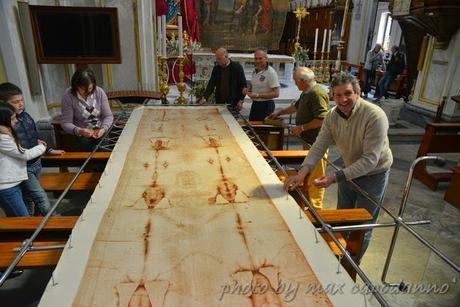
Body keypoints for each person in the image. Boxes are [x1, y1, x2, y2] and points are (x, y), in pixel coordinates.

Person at [285, 72, 393, 255]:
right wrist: (302, 172)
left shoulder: (375, 116)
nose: (343, 99)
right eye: (338, 95)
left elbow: (370, 160)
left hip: (374, 174)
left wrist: (335, 177)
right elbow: (318, 146)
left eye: (348, 93)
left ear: (357, 93)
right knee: (342, 216)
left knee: (363, 225)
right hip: (348, 169)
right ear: (332, 96)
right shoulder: (332, 116)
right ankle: (339, 255)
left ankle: (353, 265)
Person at [267, 67, 329, 209]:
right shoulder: (307, 92)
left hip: (317, 143)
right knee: (308, 174)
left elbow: (322, 118)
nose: (295, 84)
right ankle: (308, 203)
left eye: (296, 81)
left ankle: (316, 210)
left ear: (303, 81)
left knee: (316, 177)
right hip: (309, 141)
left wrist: (301, 128)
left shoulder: (317, 94)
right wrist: (279, 112)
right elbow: (296, 107)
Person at [0, 83, 64, 216]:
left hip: (35, 163)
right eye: (15, 102)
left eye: (21, 100)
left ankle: (30, 222)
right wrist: (42, 147)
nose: (20, 104)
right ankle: (53, 220)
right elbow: (21, 152)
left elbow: (35, 136)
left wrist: (49, 150)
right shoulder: (6, 128)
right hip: (24, 166)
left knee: (28, 197)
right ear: (4, 105)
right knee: (40, 196)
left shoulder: (26, 116)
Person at [0, 102, 47, 217]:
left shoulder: (7, 134)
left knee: (22, 215)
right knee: (22, 218)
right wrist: (42, 147)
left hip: (14, 181)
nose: (16, 121)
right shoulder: (2, 138)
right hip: (7, 186)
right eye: (12, 118)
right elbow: (24, 154)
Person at [61, 68, 114, 151]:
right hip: (82, 138)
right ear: (76, 86)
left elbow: (108, 116)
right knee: (88, 161)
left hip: (101, 134)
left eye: (89, 88)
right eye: (83, 89)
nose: (87, 92)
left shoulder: (99, 92)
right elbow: (66, 123)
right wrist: (80, 131)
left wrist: (103, 129)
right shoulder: (68, 96)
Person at [247, 48, 280, 120]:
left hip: (266, 105)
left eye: (260, 58)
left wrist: (258, 95)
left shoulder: (271, 72)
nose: (257, 61)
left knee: (263, 129)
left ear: (266, 59)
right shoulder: (255, 71)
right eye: (256, 58)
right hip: (255, 104)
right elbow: (253, 85)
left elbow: (276, 93)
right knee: (253, 127)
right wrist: (248, 89)